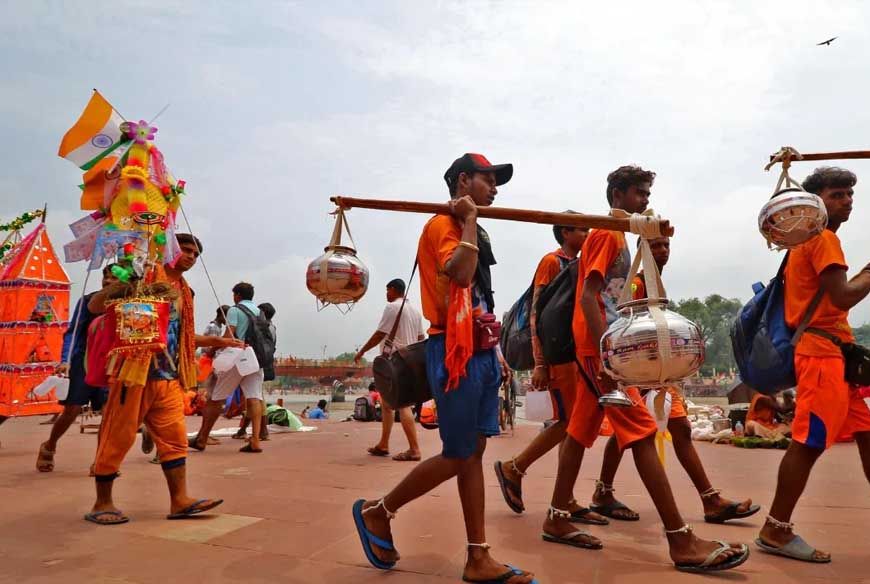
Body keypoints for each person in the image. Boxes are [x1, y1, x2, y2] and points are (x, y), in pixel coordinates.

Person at [542, 165, 748, 572]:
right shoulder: (604, 232)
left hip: (603, 348)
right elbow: (588, 296)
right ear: (617, 195)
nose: (645, 201)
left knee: (579, 431)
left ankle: (557, 517)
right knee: (639, 434)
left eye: (647, 194)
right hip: (600, 349)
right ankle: (680, 538)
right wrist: (608, 355)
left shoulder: (624, 236)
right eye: (639, 193)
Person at [354, 153, 534, 583]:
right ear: (462, 182)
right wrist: (468, 220)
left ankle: (477, 556)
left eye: (496, 182)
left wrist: (499, 356)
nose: (494, 188)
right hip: (455, 353)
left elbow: (482, 301)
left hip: (482, 351)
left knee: (474, 451)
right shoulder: (441, 225)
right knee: (458, 452)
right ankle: (379, 512)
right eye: (487, 180)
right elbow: (461, 274)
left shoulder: (473, 228)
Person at [588, 235, 759, 524]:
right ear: (643, 249)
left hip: (658, 375)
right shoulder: (636, 284)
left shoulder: (656, 285)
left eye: (665, 245)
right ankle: (706, 500)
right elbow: (624, 323)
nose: (662, 251)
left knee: (675, 430)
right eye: (655, 245)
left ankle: (709, 499)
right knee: (637, 433)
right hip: (640, 373)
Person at [86, 234, 243, 525]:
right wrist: (124, 282)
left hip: (168, 377)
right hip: (133, 374)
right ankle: (102, 502)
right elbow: (95, 306)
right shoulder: (142, 273)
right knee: (116, 438)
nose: (191, 257)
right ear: (168, 248)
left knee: (175, 440)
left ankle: (179, 500)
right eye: (185, 250)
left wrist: (222, 342)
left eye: (195, 254)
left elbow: (183, 335)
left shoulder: (185, 291)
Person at [757, 167, 870, 563]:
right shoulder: (821, 238)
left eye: (850, 195)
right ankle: (776, 529)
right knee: (808, 443)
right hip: (822, 356)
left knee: (868, 437)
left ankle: (777, 528)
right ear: (816, 203)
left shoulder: (807, 242)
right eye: (838, 194)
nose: (847, 201)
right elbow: (841, 298)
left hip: (835, 356)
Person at [494, 215, 605, 523]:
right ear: (565, 232)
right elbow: (535, 313)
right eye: (582, 229)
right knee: (570, 421)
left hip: (572, 353)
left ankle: (564, 496)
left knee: (572, 423)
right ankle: (514, 467)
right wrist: (540, 362)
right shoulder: (551, 262)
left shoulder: (578, 263)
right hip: (556, 355)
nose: (586, 234)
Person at [36, 263, 119, 472]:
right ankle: (49, 446)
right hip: (84, 361)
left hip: (112, 364)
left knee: (109, 412)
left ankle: (101, 461)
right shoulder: (87, 301)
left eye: (114, 278)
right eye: (106, 276)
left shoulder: (128, 305)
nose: (108, 281)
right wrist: (66, 360)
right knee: (72, 410)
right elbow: (72, 333)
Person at [192, 282, 267, 453]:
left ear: (237, 295)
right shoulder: (259, 312)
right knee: (254, 397)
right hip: (255, 358)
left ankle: (202, 438)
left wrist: (212, 351)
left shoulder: (235, 310)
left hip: (237, 356)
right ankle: (255, 440)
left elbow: (228, 335)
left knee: (216, 398)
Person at [355, 278, 425, 461]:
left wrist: (362, 351)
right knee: (387, 403)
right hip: (410, 360)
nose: (386, 294)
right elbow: (421, 337)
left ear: (394, 290)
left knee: (402, 404)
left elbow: (380, 334)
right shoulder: (415, 311)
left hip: (395, 362)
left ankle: (414, 449)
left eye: (388, 290)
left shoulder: (392, 307)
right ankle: (383, 444)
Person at [233, 302, 276, 441]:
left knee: (255, 398)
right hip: (264, 362)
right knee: (254, 397)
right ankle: (249, 430)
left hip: (255, 362)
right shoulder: (271, 327)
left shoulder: (263, 327)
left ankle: (260, 432)